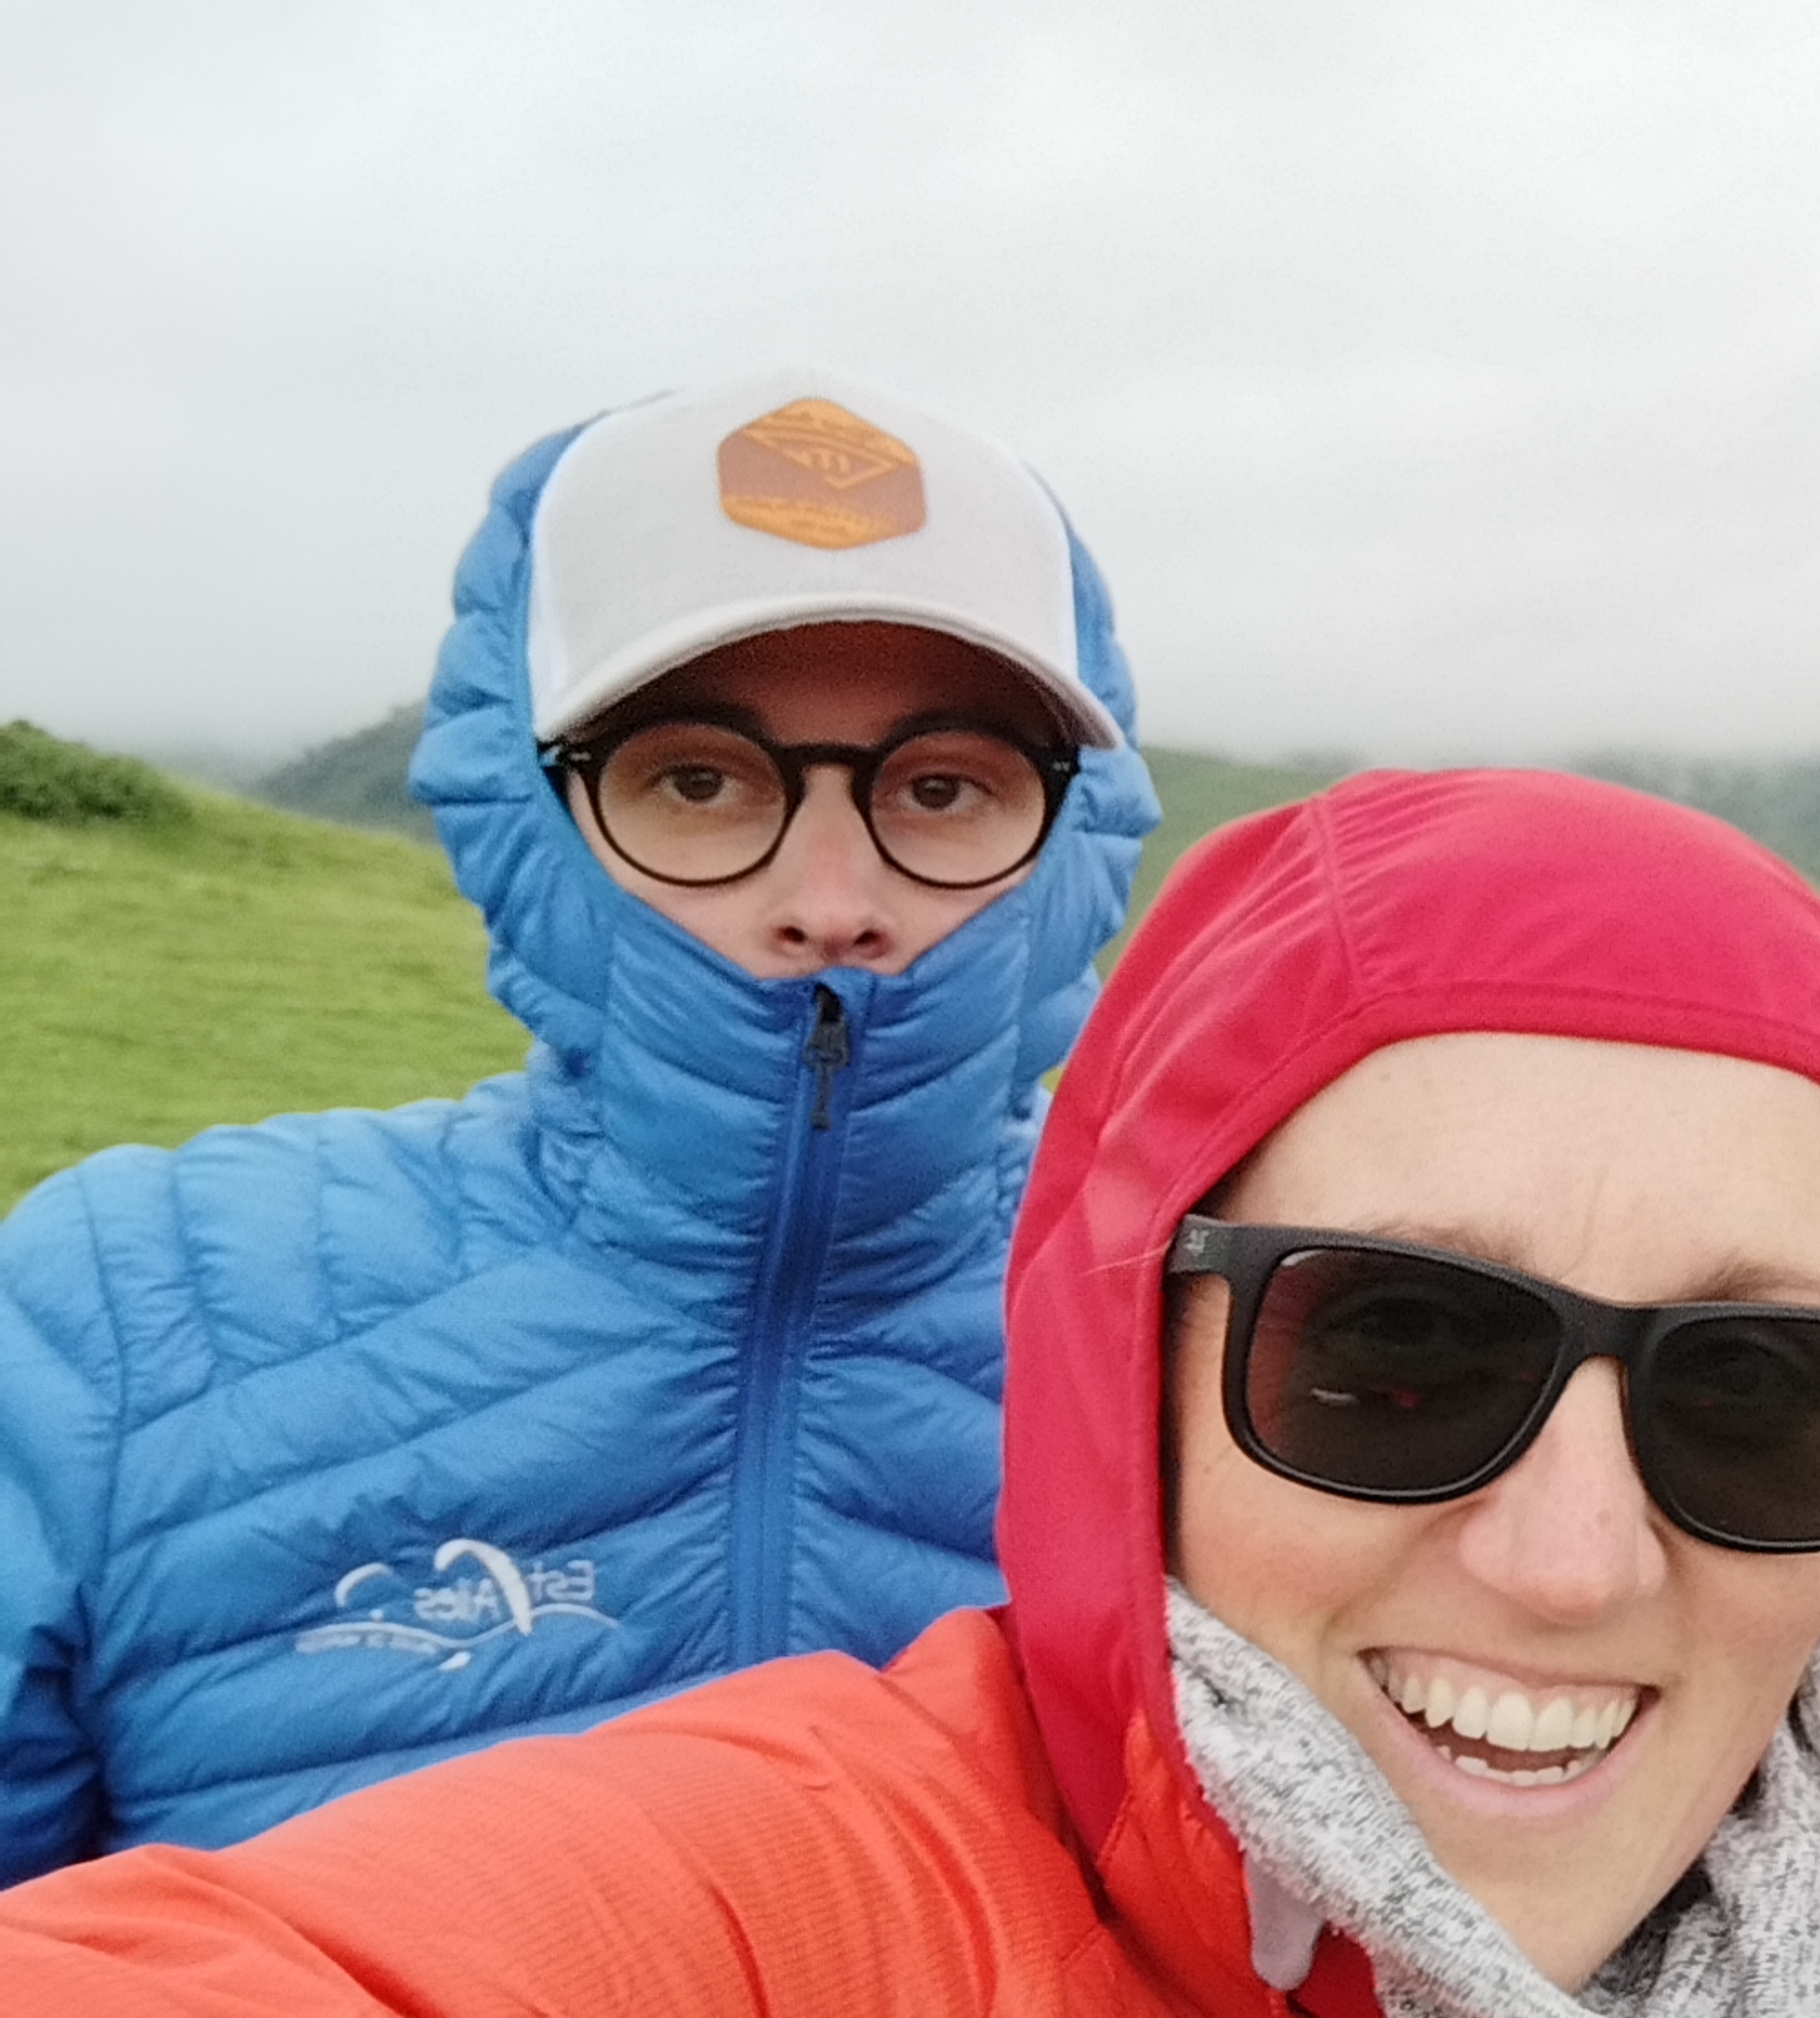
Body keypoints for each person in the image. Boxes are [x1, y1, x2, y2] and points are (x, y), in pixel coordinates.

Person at [0, 766, 1820, 2018]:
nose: (1575, 1560)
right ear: (1132, 1360)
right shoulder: (764, 1997)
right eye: (1398, 1350)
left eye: (1761, 1388)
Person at [0, 370, 1155, 1876]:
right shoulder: (127, 1318)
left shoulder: (1230, 1343)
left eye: (943, 788)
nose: (831, 905)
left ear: (1074, 832)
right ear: (529, 815)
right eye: (698, 781)